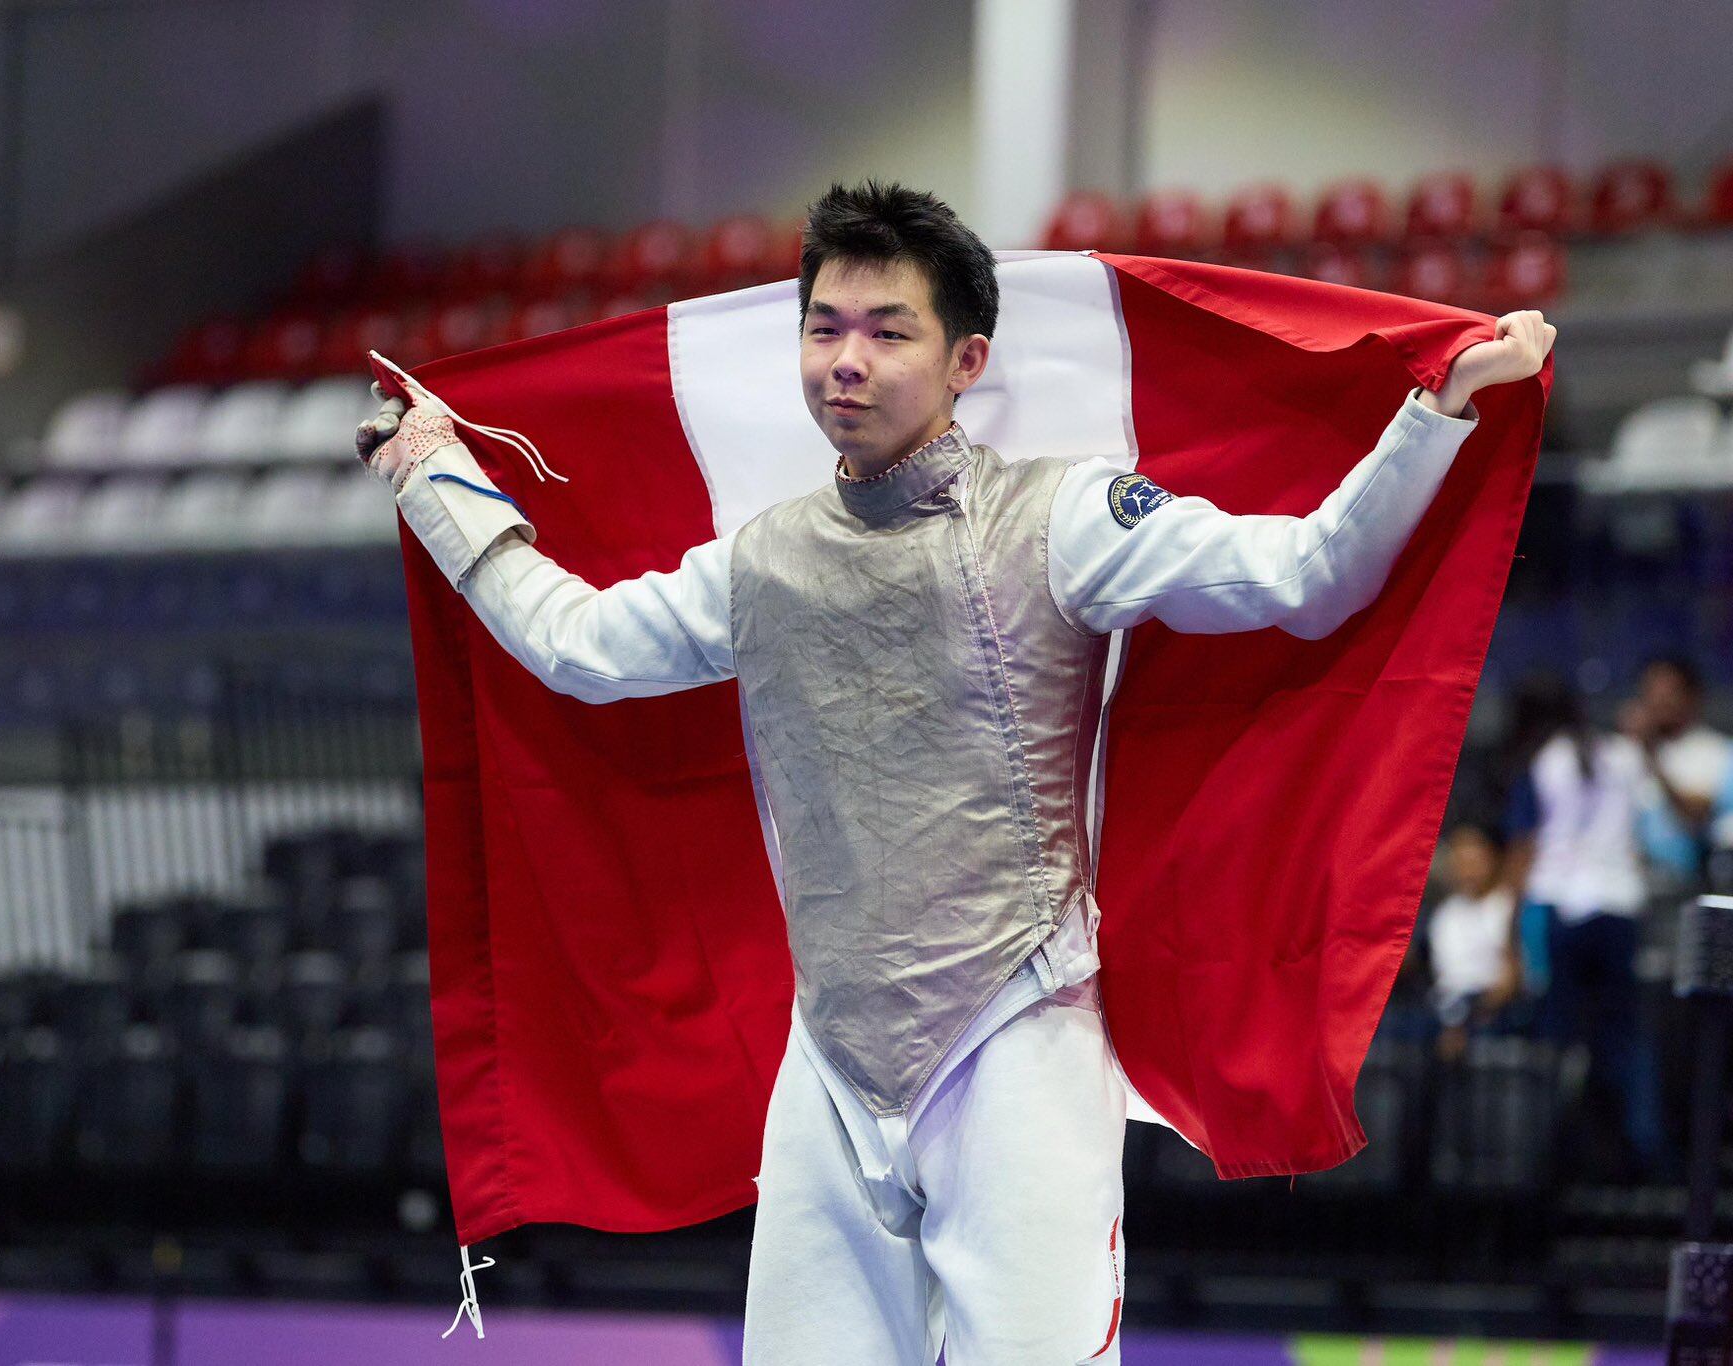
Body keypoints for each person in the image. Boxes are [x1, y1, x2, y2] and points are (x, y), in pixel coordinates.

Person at [357, 180, 1551, 1364]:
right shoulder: (762, 562)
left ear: (967, 357)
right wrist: (435, 478)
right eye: (823, 328)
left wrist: (1431, 411)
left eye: (887, 331)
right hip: (826, 1064)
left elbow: (1306, 574)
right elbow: (577, 647)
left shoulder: (1064, 515)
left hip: (1016, 1040)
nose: (846, 361)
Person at [1509, 681, 1677, 1182]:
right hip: (1617, 908)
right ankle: (1647, 1155)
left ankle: (1548, 1160)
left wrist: (1508, 936)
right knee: (1623, 1039)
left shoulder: (1546, 758)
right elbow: (1652, 827)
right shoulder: (1625, 755)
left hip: (1562, 908)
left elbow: (1524, 848)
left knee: (1557, 1036)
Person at [1620, 653, 1731, 890]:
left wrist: (1653, 759)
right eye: (1651, 692)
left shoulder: (1713, 751)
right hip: (1633, 891)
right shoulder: (1621, 754)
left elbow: (1696, 814)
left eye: (1668, 693)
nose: (1659, 702)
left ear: (1692, 696)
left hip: (1687, 888)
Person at [1425, 822, 1523, 1060]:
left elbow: (1512, 979)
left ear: (1493, 858)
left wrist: (1468, 1020)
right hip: (1445, 1007)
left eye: (1474, 861)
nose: (1467, 871)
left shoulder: (1507, 907)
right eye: (1460, 862)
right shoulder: (1444, 914)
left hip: (1491, 1011)